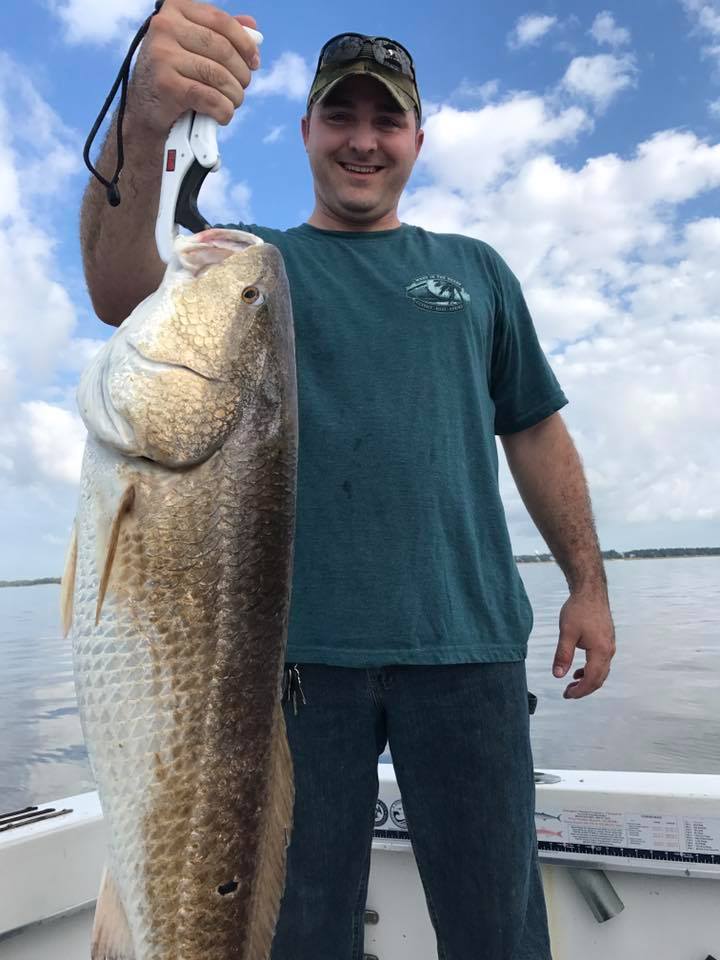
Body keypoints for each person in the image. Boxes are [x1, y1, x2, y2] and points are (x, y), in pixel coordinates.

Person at [80, 4, 616, 958]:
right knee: (297, 933)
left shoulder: (475, 273)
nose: (363, 141)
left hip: (470, 653)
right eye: (341, 117)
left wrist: (588, 583)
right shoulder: (250, 266)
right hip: (287, 671)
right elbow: (120, 287)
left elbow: (535, 432)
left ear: (417, 137)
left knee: (499, 929)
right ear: (307, 132)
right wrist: (144, 120)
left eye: (386, 120)